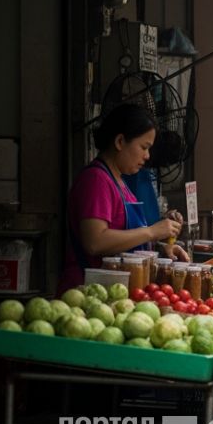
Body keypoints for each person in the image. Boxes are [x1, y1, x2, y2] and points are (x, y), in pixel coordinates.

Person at [61, 104, 188, 292]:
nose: (147, 156)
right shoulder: (96, 180)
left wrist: (160, 248)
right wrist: (152, 231)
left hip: (116, 290)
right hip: (89, 292)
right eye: (144, 147)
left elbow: (125, 243)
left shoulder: (119, 181)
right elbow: (95, 242)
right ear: (120, 141)